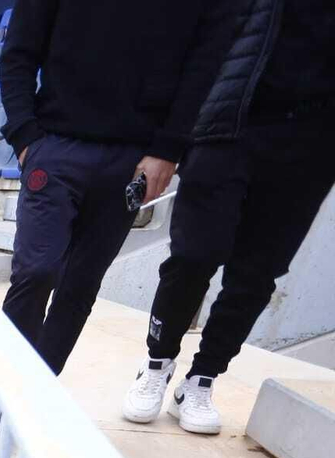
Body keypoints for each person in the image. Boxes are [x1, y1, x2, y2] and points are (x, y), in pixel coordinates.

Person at [123, 0, 335, 435]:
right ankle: (156, 365)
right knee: (193, 254)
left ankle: (201, 380)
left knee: (257, 275)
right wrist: (169, 137)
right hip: (229, 126)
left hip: (312, 147)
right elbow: (200, 42)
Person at [0, 0, 236, 375]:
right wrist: (26, 136)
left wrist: (167, 149)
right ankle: (4, 383)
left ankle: (37, 389)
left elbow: (203, 66)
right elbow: (18, 53)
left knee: (80, 287)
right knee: (36, 271)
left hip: (135, 159)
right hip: (56, 145)